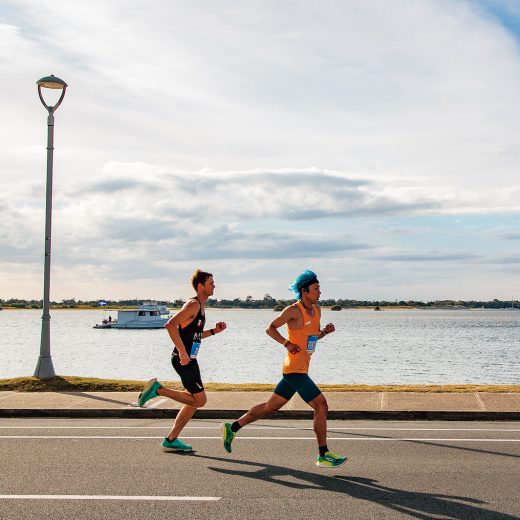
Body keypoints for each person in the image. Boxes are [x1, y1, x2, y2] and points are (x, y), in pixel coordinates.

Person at [221, 270, 347, 468]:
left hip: (300, 369)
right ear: (304, 291)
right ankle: (323, 454)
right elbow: (270, 328)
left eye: (319, 288)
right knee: (321, 406)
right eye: (316, 289)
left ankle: (233, 427)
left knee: (270, 407)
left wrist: (325, 332)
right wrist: (286, 343)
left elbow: (311, 339)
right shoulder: (293, 311)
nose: (319, 292)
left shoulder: (317, 311)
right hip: (293, 369)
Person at [138, 269, 226, 452]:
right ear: (200, 285)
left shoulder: (200, 307)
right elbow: (170, 325)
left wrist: (214, 332)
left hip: (189, 359)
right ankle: (158, 390)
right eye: (211, 283)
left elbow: (194, 335)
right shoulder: (193, 305)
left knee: (191, 403)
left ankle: (171, 439)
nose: (214, 286)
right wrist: (182, 352)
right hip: (184, 360)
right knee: (199, 401)